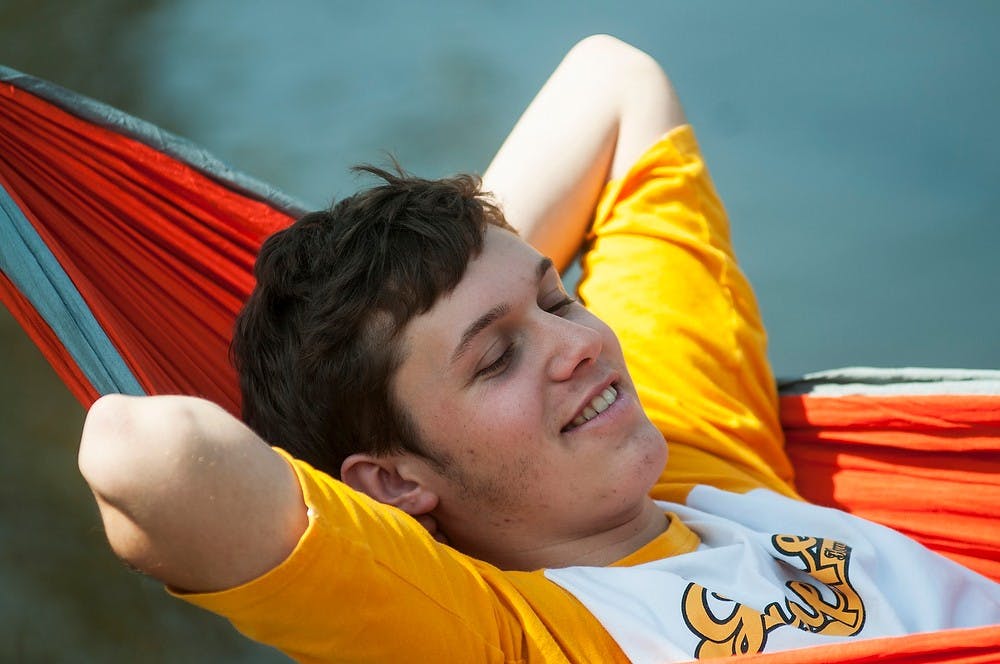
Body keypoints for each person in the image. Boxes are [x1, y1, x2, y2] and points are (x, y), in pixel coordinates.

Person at [78, 35, 1000, 662]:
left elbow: (614, 79)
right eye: (495, 360)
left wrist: (445, 255)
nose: (578, 346)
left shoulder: (699, 462)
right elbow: (150, 459)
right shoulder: (521, 635)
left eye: (556, 296)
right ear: (395, 481)